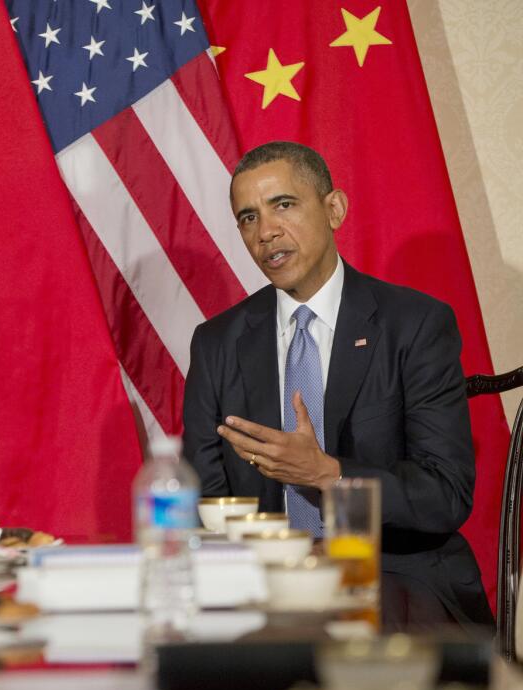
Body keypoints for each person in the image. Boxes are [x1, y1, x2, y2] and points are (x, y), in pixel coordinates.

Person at [183, 141, 492, 631]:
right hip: (265, 585)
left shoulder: (414, 325)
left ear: (334, 208)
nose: (266, 232)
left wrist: (328, 475)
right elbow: (206, 498)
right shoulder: (217, 343)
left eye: (283, 205)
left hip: (395, 573)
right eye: (247, 217)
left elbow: (445, 494)